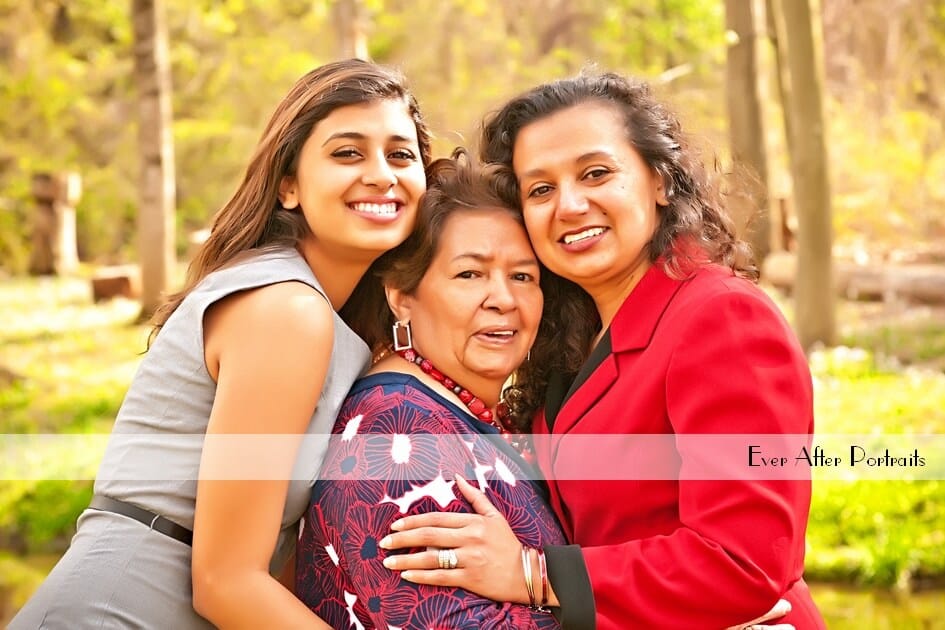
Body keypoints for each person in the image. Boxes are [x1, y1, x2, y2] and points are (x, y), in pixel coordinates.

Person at [378, 72, 827, 629]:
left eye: (596, 173)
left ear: (660, 181)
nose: (569, 205)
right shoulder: (569, 331)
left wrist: (534, 574)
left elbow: (744, 564)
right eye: (539, 189)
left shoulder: (722, 318)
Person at [10, 58, 431, 629]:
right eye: (347, 153)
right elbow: (225, 581)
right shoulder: (286, 311)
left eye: (401, 155)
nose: (382, 174)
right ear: (288, 187)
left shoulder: (321, 313)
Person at [294, 152, 566, 629]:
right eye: (469, 274)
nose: (503, 299)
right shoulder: (397, 430)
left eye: (523, 276)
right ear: (402, 296)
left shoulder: (470, 414)